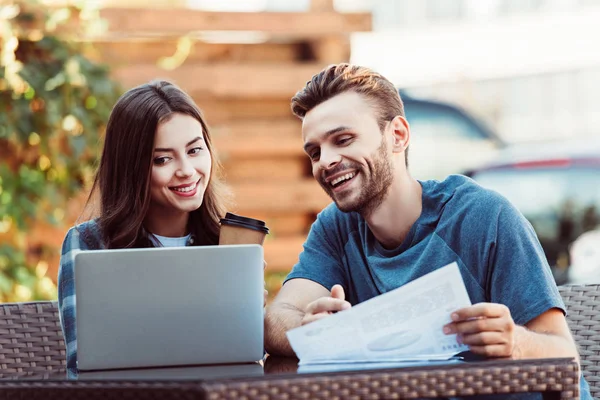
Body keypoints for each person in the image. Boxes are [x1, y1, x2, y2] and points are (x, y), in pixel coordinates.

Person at [264, 64, 591, 399]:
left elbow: (564, 355)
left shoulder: (482, 216)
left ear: (398, 135)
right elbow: (274, 320)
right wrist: (311, 330)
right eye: (315, 152)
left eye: (343, 139)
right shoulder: (335, 227)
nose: (326, 161)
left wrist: (516, 341)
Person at [57, 81, 265, 370]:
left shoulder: (229, 241)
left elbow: (249, 357)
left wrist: (252, 317)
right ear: (131, 168)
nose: (187, 171)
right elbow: (81, 364)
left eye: (194, 150)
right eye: (163, 159)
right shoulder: (89, 242)